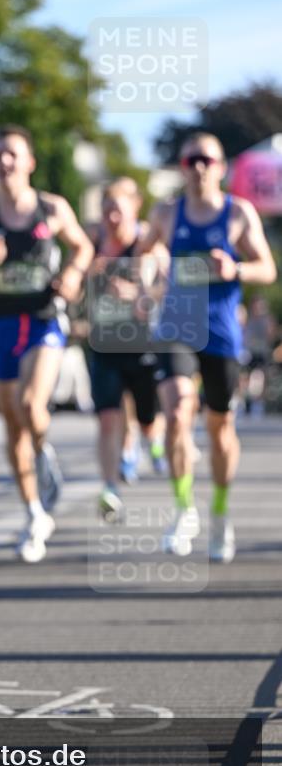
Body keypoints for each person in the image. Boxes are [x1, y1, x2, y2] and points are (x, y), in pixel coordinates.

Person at [0, 125, 93, 562]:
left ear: (30, 162)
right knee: (12, 427)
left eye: (12, 154)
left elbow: (83, 248)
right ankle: (33, 514)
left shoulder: (52, 208)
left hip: (45, 321)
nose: (4, 162)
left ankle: (44, 450)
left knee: (31, 404)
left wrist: (73, 276)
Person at [142, 132, 276, 561]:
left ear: (222, 167)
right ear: (182, 168)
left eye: (207, 160)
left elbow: (267, 269)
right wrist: (148, 273)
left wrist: (234, 266)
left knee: (220, 431)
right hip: (176, 328)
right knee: (178, 412)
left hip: (219, 333)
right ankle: (184, 510)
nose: (198, 167)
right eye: (190, 161)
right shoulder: (165, 212)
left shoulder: (238, 213)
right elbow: (143, 254)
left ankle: (219, 514)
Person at [87, 177, 167, 522]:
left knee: (147, 419)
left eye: (117, 210)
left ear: (135, 208)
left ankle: (155, 442)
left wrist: (140, 296)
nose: (112, 218)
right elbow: (73, 274)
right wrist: (82, 276)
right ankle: (110, 487)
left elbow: (171, 281)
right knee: (108, 418)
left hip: (143, 344)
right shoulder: (93, 243)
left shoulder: (145, 244)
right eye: (106, 211)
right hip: (104, 343)